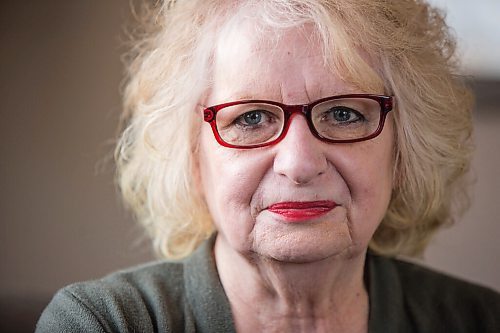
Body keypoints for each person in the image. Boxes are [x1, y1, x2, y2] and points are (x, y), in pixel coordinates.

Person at [37, 0, 500, 332]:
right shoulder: (100, 322)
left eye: (343, 114)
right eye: (251, 118)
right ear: (192, 157)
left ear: (402, 152)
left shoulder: (479, 319)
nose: (299, 164)